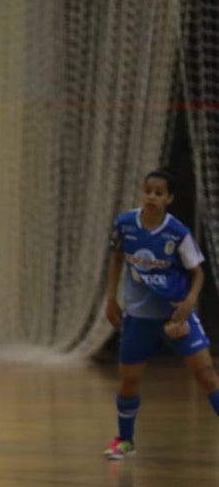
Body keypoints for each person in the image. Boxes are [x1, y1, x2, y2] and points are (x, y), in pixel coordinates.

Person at [102, 168, 219, 459]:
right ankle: (125, 441)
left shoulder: (177, 232)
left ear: (169, 198)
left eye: (159, 193)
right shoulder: (125, 224)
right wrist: (111, 299)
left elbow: (198, 273)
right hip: (138, 317)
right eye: (148, 191)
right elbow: (117, 258)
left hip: (175, 315)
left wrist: (190, 301)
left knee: (206, 376)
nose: (151, 197)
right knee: (129, 380)